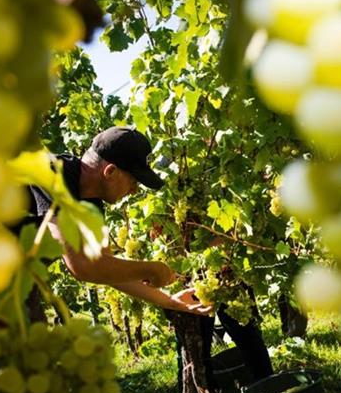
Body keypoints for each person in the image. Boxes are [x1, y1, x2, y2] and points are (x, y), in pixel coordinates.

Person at [20, 126, 212, 319]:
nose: (134, 190)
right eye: (133, 181)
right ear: (110, 171)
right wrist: (151, 269)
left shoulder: (91, 202)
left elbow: (107, 269)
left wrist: (170, 301)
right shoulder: (53, 173)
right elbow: (83, 267)